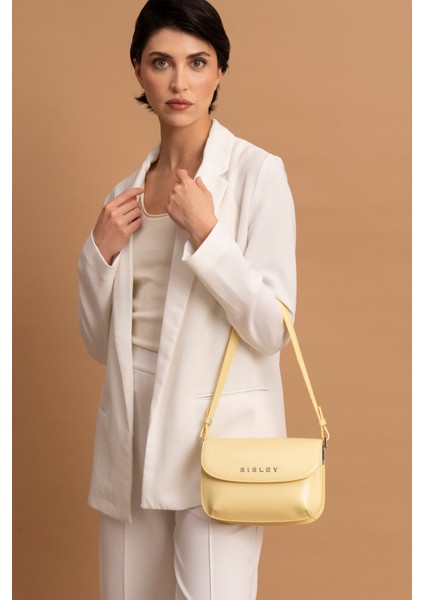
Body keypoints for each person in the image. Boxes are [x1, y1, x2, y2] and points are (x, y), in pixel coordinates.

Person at [78, 0, 296, 598]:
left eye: (197, 62)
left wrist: (209, 235)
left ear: (220, 70)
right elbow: (99, 343)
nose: (179, 82)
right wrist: (98, 255)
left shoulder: (256, 175)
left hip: (216, 437)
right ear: (138, 70)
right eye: (161, 62)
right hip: (132, 429)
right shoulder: (124, 196)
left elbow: (272, 327)